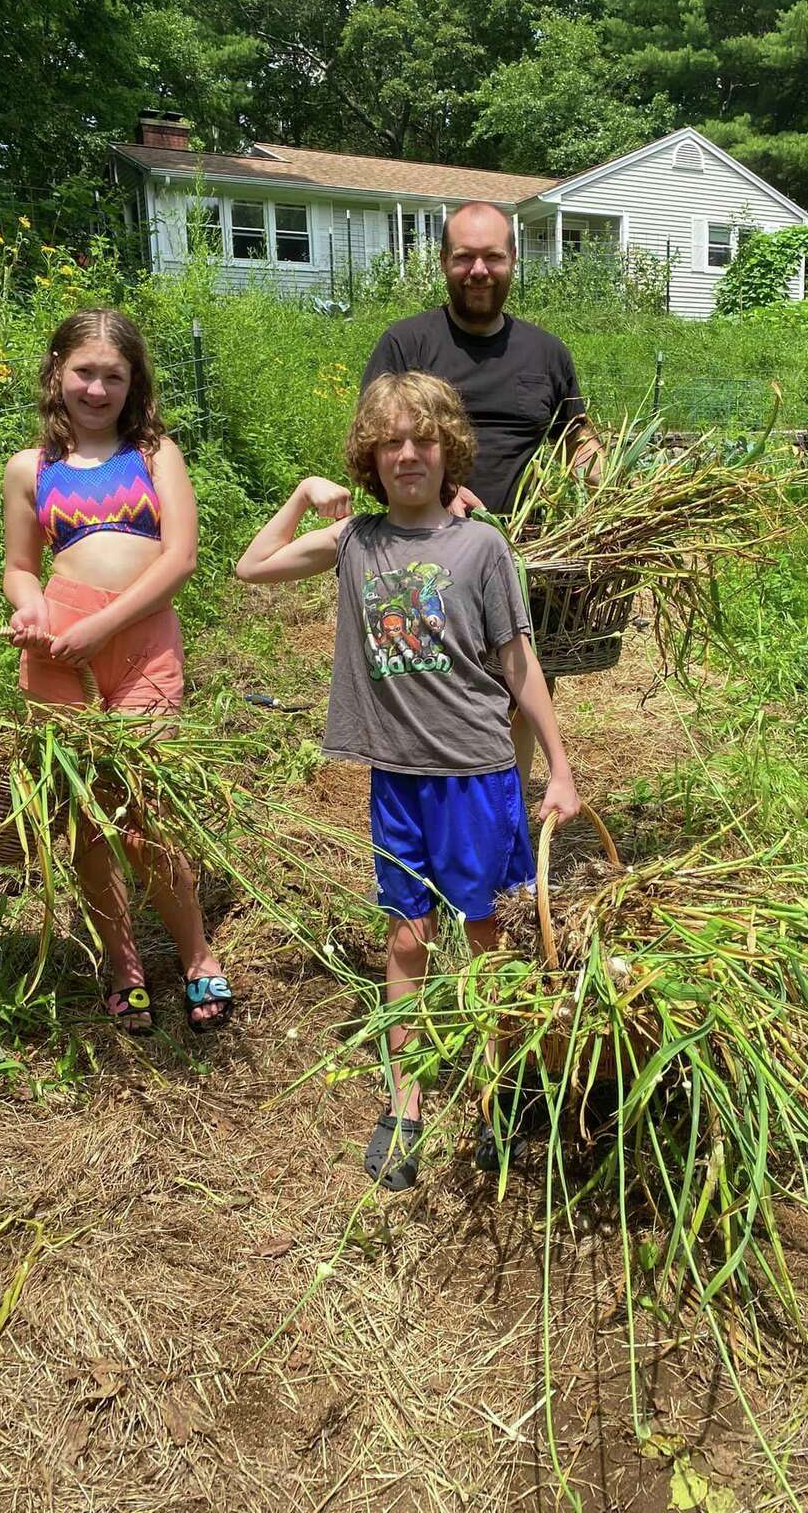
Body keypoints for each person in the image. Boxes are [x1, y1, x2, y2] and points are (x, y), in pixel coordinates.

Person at [235, 371, 580, 1189]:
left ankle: (501, 1098)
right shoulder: (355, 541)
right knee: (405, 939)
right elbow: (252, 568)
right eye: (390, 442)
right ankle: (406, 1103)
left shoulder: (481, 547)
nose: (408, 455)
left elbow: (517, 665)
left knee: (487, 940)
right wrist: (299, 493)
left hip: (475, 774)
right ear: (371, 455)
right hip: (397, 777)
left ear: (448, 448)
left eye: (423, 440)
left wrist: (559, 769)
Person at [2, 307, 232, 1035]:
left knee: (146, 815)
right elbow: (18, 568)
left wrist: (103, 623)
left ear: (135, 384)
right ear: (56, 373)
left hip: (139, 646)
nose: (96, 389)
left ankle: (196, 955)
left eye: (113, 375)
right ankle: (123, 961)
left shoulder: (156, 452)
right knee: (88, 822)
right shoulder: (29, 469)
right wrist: (32, 606)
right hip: (58, 657)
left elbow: (181, 560)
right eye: (84, 372)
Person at [360, 200, 603, 779]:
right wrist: (445, 498)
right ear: (443, 261)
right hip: (429, 553)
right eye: (464, 256)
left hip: (525, 555)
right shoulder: (408, 345)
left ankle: (504, 821)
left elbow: (578, 437)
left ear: (513, 261)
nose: (478, 270)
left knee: (518, 693)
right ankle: (441, 818)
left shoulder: (545, 352)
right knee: (439, 693)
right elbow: (372, 443)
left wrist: (609, 480)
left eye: (492, 257)